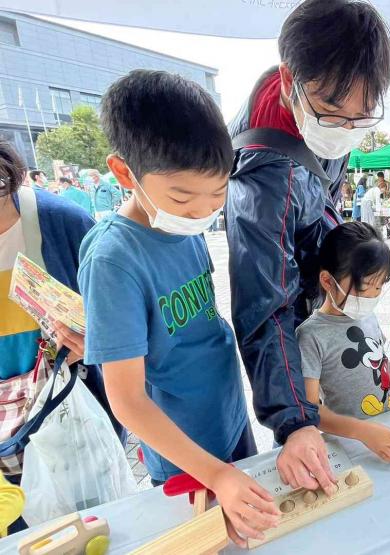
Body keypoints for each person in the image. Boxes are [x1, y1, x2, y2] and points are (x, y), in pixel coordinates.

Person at [78, 70, 279, 547]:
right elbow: (126, 401)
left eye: (218, 195)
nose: (201, 213)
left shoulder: (185, 229)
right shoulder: (113, 260)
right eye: (183, 199)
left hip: (229, 422)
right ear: (125, 173)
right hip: (184, 453)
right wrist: (216, 474)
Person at [226, 0, 390, 498]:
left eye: (359, 118)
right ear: (287, 80)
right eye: (329, 111)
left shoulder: (324, 119)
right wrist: (295, 422)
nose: (342, 129)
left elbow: (322, 198)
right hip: (293, 320)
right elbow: (264, 305)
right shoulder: (263, 179)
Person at [0, 140, 110, 534]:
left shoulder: (62, 222)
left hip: (67, 415)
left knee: (87, 529)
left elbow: (122, 318)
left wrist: (96, 342)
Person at [297, 222, 390, 460]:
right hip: (351, 442)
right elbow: (311, 410)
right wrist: (363, 432)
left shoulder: (366, 316)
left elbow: (380, 366)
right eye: (364, 287)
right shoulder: (311, 335)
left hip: (387, 426)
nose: (372, 296)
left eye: (379, 286)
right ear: (327, 281)